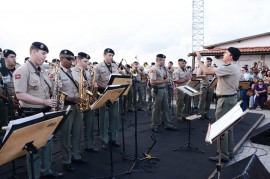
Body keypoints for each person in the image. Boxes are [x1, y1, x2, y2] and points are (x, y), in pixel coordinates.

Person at [13, 42, 63, 178]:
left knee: (47, 143)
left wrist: (55, 85)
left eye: (46, 54)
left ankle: (46, 171)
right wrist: (43, 101)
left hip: (45, 111)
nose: (45, 56)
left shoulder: (42, 71)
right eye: (43, 53)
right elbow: (20, 95)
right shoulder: (22, 70)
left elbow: (46, 90)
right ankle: (35, 176)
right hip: (32, 113)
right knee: (33, 149)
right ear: (34, 52)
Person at [196, 47, 241, 163]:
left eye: (226, 53)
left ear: (230, 57)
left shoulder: (229, 67)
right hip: (230, 98)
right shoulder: (233, 67)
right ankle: (229, 152)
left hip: (225, 100)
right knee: (229, 128)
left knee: (222, 128)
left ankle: (223, 155)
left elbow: (206, 71)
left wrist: (199, 60)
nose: (223, 54)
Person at [56, 49, 86, 171]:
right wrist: (70, 99)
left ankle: (76, 155)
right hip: (65, 106)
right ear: (61, 59)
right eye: (68, 59)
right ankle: (66, 160)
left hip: (77, 104)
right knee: (66, 135)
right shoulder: (56, 73)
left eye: (73, 58)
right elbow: (54, 93)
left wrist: (83, 87)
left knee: (77, 131)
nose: (72, 61)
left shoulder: (74, 72)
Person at [71, 52, 99, 152]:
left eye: (88, 61)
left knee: (90, 124)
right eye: (85, 61)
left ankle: (89, 145)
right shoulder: (72, 72)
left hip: (88, 101)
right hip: (78, 102)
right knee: (77, 129)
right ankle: (75, 151)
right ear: (78, 61)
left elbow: (89, 86)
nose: (87, 63)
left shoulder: (87, 72)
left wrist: (93, 86)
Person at [94, 48, 120, 149]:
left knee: (115, 117)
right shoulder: (98, 67)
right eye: (109, 55)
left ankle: (114, 138)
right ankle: (104, 140)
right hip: (104, 94)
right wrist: (105, 87)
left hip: (114, 94)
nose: (111, 57)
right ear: (104, 55)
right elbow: (95, 82)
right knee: (104, 118)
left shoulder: (115, 66)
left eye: (112, 56)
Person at [149, 54, 177, 132]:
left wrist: (167, 78)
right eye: (163, 60)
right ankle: (154, 125)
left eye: (164, 60)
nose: (164, 62)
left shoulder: (162, 68)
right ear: (158, 60)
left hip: (163, 89)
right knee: (156, 109)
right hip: (157, 90)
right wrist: (164, 81)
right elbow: (152, 82)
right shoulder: (154, 69)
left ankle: (167, 124)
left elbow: (165, 77)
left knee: (166, 108)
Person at [0, 49, 19, 140]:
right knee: (7, 128)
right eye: (12, 57)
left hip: (21, 101)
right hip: (7, 103)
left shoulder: (20, 69)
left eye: (15, 57)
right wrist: (10, 100)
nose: (14, 59)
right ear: (5, 59)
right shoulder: (1, 72)